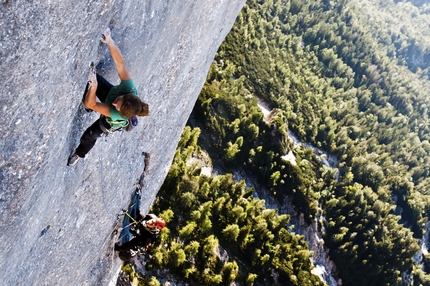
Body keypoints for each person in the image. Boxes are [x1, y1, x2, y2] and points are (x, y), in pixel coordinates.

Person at [67, 27, 149, 166]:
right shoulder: (129, 88)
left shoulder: (116, 114)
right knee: (92, 78)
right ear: (126, 95)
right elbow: (120, 65)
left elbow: (93, 104)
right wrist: (110, 42)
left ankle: (78, 154)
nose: (115, 103)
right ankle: (88, 104)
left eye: (118, 105)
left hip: (108, 122)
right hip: (109, 94)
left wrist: (94, 87)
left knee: (89, 136)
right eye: (119, 100)